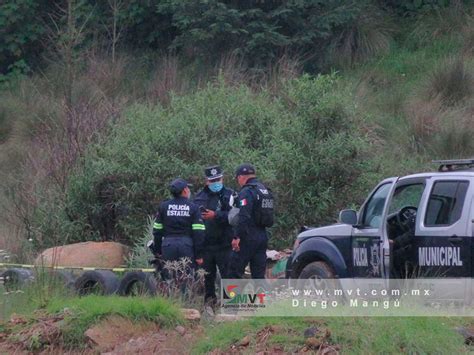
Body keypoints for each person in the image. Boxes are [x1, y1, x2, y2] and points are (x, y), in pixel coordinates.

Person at [193, 165, 234, 305]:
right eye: (212, 180)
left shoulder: (231, 195)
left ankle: (230, 305)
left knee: (228, 277)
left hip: (225, 244)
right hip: (206, 246)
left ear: (222, 179)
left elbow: (236, 217)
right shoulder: (199, 197)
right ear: (206, 182)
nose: (216, 183)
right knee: (208, 278)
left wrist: (216, 215)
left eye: (218, 179)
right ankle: (210, 305)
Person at [152, 178, 205, 277]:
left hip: (167, 246)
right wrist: (199, 255)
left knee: (168, 276)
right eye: (188, 188)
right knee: (186, 277)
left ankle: (170, 292)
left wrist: (158, 251)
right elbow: (199, 233)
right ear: (185, 190)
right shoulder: (193, 207)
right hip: (186, 246)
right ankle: (184, 292)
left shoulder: (164, 206)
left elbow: (157, 231)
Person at [229, 163, 273, 279]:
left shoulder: (247, 191)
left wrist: (237, 237)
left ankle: (233, 297)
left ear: (240, 177)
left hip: (247, 236)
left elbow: (244, 216)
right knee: (258, 275)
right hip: (262, 236)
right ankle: (262, 297)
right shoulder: (264, 190)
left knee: (234, 272)